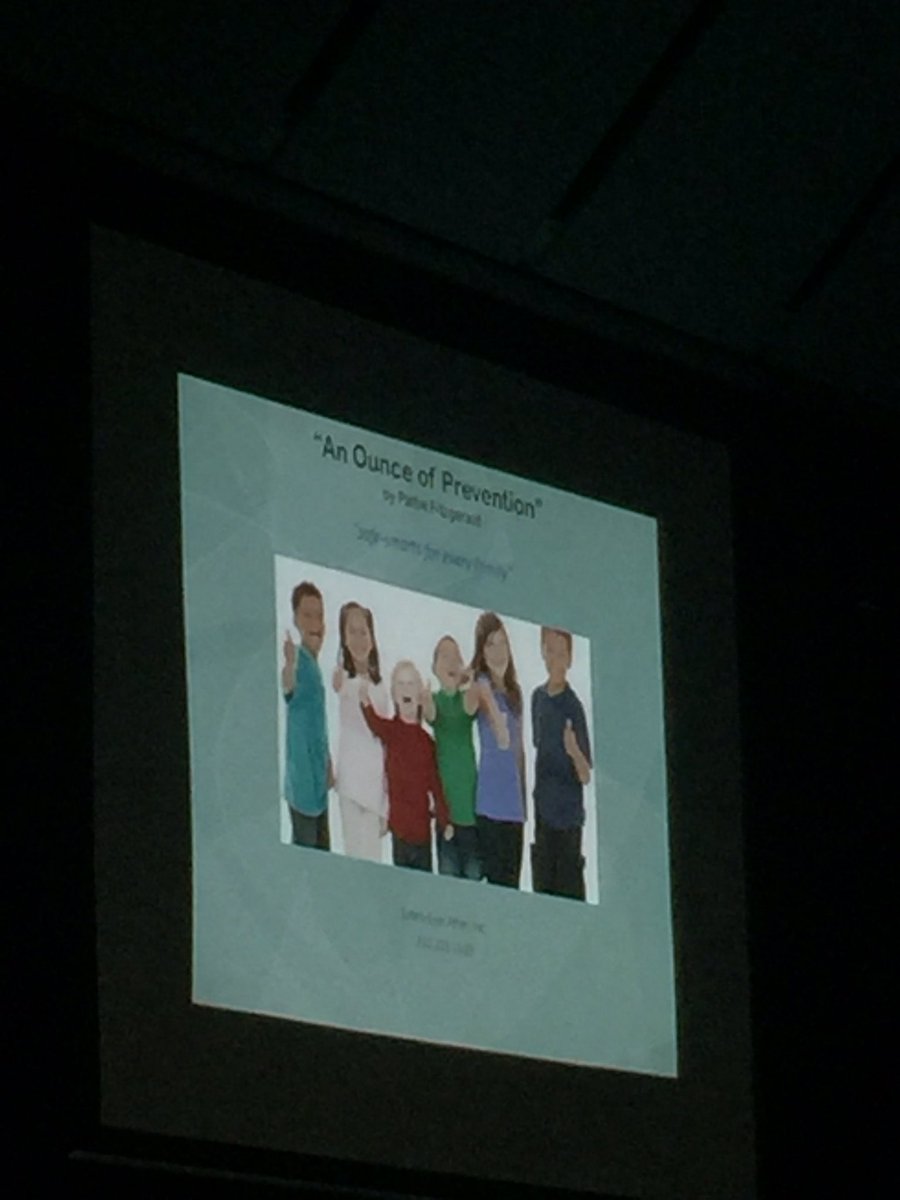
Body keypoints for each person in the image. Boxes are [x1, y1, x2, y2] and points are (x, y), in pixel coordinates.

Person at [360, 661, 452, 872]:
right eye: (401, 684)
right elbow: (374, 723)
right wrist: (364, 700)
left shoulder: (427, 743)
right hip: (399, 831)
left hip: (422, 832)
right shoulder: (391, 731)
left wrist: (445, 821)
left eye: (411, 683)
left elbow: (435, 785)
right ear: (394, 694)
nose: (406, 688)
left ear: (420, 695)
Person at [530, 627, 592, 900]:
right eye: (550, 651)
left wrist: (573, 749)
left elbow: (585, 775)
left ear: (570, 659)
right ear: (543, 652)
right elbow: (538, 745)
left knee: (568, 892)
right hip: (543, 815)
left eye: (562, 653)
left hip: (568, 820)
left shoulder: (574, 707)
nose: (555, 659)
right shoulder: (537, 698)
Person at [470, 612, 526, 887]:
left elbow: (518, 751)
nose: (498, 651)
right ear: (482, 650)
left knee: (511, 887)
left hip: (514, 809)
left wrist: (524, 804)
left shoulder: (515, 693)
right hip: (490, 804)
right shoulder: (481, 686)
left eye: (502, 643)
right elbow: (501, 738)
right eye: (490, 644)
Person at [332, 601, 390, 862]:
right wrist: (339, 682)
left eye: (363, 632)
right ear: (344, 639)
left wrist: (386, 800)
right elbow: (340, 686)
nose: (358, 639)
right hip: (350, 786)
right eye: (352, 632)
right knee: (354, 854)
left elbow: (385, 741)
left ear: (372, 638)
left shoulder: (381, 688)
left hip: (374, 788)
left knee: (373, 857)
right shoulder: (345, 680)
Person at [422, 636, 481, 880]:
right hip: (445, 813)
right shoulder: (435, 700)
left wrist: (468, 680)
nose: (450, 661)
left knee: (474, 875)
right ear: (434, 667)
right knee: (448, 875)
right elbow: (430, 714)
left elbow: (471, 705)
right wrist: (425, 698)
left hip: (472, 811)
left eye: (455, 657)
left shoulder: (465, 698)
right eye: (444, 656)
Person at [281, 581, 332, 850]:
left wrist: (328, 762)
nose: (315, 622)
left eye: (319, 615)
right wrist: (290, 663)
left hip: (318, 785)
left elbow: (317, 723)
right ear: (296, 619)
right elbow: (288, 688)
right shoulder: (299, 661)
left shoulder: (314, 664)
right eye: (307, 615)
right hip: (302, 787)